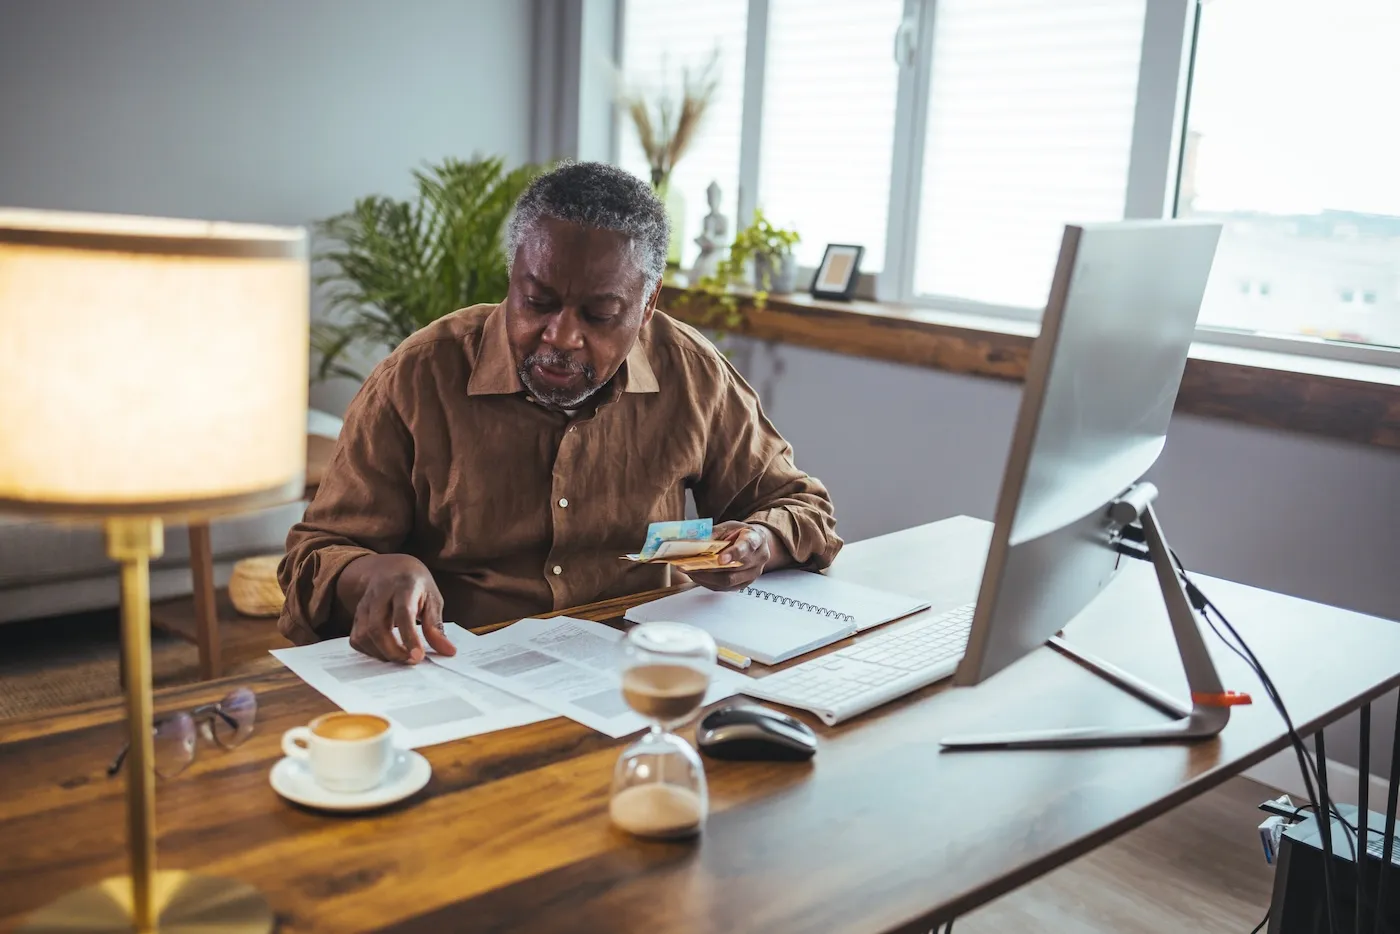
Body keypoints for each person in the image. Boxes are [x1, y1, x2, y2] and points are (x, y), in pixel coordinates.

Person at [278, 162, 841, 662]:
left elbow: (800, 505)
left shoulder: (690, 372)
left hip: (642, 668)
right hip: (462, 668)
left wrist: (759, 542)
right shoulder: (419, 375)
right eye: (538, 302)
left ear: (648, 304)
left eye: (599, 314)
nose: (561, 336)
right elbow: (313, 556)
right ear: (512, 278)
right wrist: (370, 573)